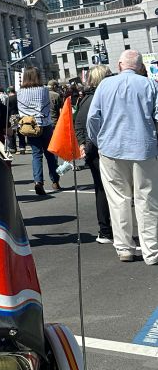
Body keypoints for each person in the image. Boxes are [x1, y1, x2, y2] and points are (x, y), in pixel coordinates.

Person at [87, 49, 158, 265]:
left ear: (119, 65)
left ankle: (125, 248)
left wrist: (100, 141)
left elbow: (93, 118)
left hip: (111, 148)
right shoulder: (151, 85)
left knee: (118, 200)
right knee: (147, 199)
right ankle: (151, 251)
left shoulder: (105, 85)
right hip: (144, 148)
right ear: (140, 67)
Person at [73, 66, 113, 245]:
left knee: (101, 189)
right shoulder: (102, 97)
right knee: (115, 191)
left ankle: (105, 230)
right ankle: (111, 230)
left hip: (93, 150)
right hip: (105, 148)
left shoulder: (84, 99)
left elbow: (78, 123)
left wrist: (83, 144)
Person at [16, 66, 60, 196]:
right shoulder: (43, 90)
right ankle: (55, 181)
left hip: (29, 126)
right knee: (50, 154)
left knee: (36, 155)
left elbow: (21, 111)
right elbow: (46, 109)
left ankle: (38, 182)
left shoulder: (20, 92)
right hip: (45, 124)